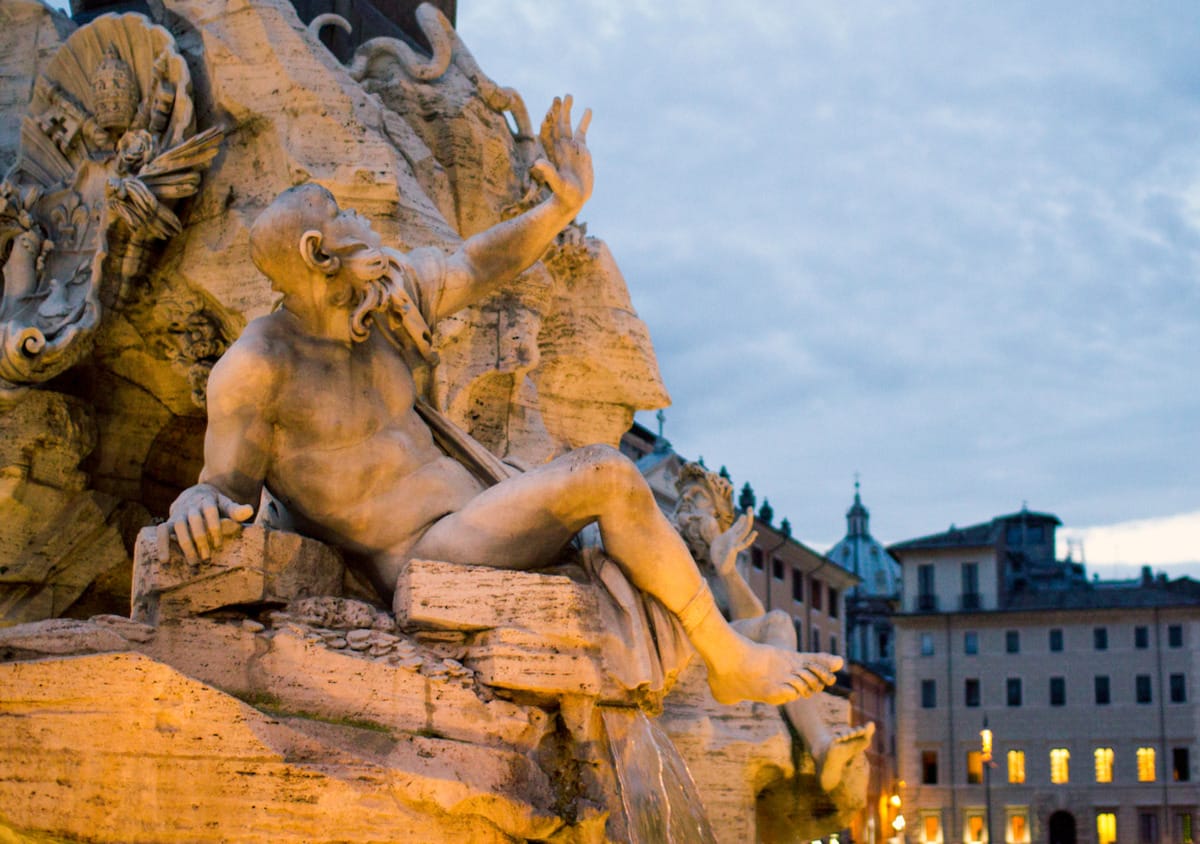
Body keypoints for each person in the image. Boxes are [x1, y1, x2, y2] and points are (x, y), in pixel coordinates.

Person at [160, 97, 841, 707]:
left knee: (614, 498)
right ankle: (729, 659)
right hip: (423, 554)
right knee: (606, 472)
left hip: (480, 506)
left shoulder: (383, 301)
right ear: (317, 252)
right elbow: (225, 482)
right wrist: (197, 503)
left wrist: (558, 210)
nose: (358, 218)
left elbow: (474, 265)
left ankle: (721, 653)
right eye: (341, 215)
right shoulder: (258, 366)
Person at [673, 462, 875, 792]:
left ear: (720, 520)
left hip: (711, 648)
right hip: (677, 643)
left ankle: (822, 745)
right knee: (775, 624)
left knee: (779, 620)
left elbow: (755, 621)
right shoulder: (665, 547)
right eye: (681, 497)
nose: (683, 505)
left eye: (696, 499)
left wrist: (727, 570)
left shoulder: (719, 565)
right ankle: (820, 743)